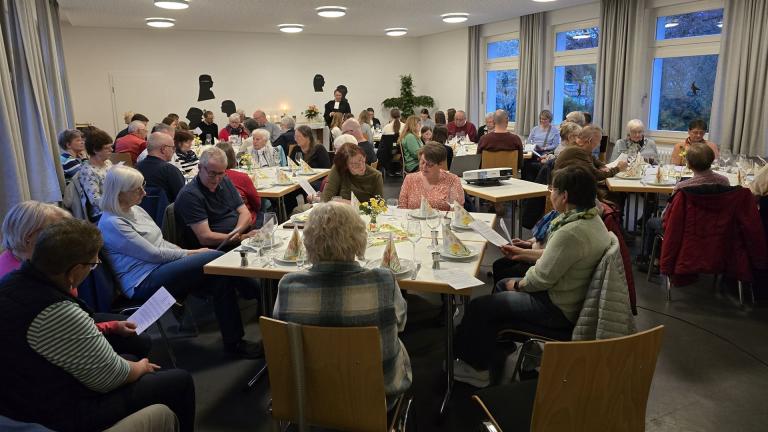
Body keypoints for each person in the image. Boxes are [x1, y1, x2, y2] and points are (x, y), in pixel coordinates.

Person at [0, 219, 196, 432]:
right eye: (93, 264)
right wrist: (141, 367)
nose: (93, 269)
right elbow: (111, 378)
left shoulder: (13, 281)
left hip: (18, 398)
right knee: (179, 381)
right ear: (74, 271)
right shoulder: (55, 310)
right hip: (51, 413)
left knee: (131, 357)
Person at [454, 165, 611, 387]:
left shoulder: (571, 232)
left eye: (553, 190)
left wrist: (516, 285)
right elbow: (554, 255)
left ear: (564, 196)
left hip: (556, 308)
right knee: (499, 286)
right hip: (569, 297)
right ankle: (495, 345)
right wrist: (523, 251)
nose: (550, 193)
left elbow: (540, 279)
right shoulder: (589, 220)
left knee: (480, 307)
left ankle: (476, 369)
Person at [98, 166, 262, 358]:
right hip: (142, 281)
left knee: (220, 276)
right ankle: (260, 295)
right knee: (215, 259)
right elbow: (154, 254)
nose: (144, 192)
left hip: (160, 268)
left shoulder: (136, 210)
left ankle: (234, 343)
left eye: (143, 186)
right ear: (119, 193)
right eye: (137, 189)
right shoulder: (112, 223)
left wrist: (188, 254)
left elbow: (162, 243)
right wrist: (192, 253)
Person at [274, 201, 412, 407]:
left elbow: (284, 336)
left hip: (308, 397)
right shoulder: (383, 281)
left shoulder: (288, 285)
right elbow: (400, 325)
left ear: (308, 240)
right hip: (375, 399)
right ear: (359, 238)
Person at [0, 201, 152, 359]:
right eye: (56, 231)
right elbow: (60, 329)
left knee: (136, 330)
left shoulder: (39, 262)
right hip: (54, 340)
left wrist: (109, 326)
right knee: (139, 341)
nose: (64, 237)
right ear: (29, 237)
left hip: (68, 322)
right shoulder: (19, 278)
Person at [638, 142, 730, 270]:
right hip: (715, 228)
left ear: (689, 164)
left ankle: (653, 261)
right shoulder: (724, 181)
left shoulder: (682, 187)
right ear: (712, 160)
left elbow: (667, 215)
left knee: (651, 222)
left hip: (686, 229)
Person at [175, 147, 257, 249]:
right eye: (212, 173)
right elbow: (205, 237)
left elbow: (245, 213)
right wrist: (240, 238)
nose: (217, 179)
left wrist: (236, 234)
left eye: (221, 173)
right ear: (200, 168)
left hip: (236, 240)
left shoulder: (225, 180)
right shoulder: (190, 195)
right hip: (214, 250)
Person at [398, 143, 464, 210]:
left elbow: (457, 211)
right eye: (422, 162)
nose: (424, 167)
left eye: (429, 164)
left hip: (441, 220)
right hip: (412, 220)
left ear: (440, 164)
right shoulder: (410, 179)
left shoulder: (452, 180)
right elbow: (402, 209)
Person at [555, 125, 627, 181]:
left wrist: (602, 166)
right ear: (589, 140)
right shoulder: (577, 151)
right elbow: (595, 175)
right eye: (599, 141)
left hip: (572, 187)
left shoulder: (579, 146)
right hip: (566, 194)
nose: (599, 144)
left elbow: (594, 160)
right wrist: (618, 168)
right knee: (616, 195)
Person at [216, 142, 261, 224]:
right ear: (233, 157)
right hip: (243, 222)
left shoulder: (205, 178)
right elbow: (257, 203)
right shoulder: (241, 177)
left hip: (218, 221)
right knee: (265, 206)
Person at [136, 132, 185, 203]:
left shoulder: (135, 168)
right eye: (173, 147)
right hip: (165, 212)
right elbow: (183, 198)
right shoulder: (170, 170)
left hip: (140, 212)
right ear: (163, 149)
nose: (174, 151)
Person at [79, 128, 114, 222]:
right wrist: (117, 204)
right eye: (107, 148)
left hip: (113, 206)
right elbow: (95, 200)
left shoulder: (108, 163)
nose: (112, 149)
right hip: (101, 213)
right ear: (95, 150)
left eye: (111, 146)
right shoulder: (88, 171)